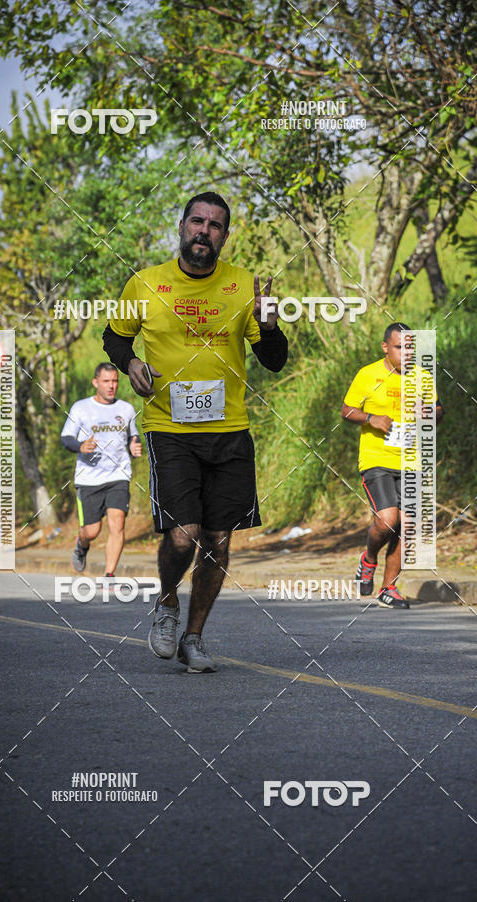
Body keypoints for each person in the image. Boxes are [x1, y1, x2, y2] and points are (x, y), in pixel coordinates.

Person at [103, 191, 288, 672]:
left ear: (225, 237)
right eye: (197, 221)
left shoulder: (243, 285)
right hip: (170, 428)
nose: (204, 231)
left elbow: (273, 359)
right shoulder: (145, 284)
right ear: (182, 226)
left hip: (229, 430)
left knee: (219, 540)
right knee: (184, 535)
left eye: (215, 225)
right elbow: (115, 337)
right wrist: (131, 362)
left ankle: (194, 636)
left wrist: (269, 328)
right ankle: (166, 603)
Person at [341, 322, 443, 608]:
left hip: (411, 461)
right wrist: (370, 418)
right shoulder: (369, 374)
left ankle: (389, 588)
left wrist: (431, 413)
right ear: (386, 347)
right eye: (400, 348)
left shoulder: (422, 377)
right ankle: (369, 558)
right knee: (388, 519)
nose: (406, 354)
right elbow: (347, 410)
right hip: (377, 459)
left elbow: (438, 411)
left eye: (411, 348)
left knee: (406, 524)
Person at [61, 363, 142, 577]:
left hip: (118, 475)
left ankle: (109, 575)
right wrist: (80, 446)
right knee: (92, 531)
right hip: (89, 478)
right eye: (106, 381)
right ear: (95, 382)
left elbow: (133, 436)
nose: (111, 386)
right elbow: (66, 437)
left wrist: (134, 446)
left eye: (115, 381)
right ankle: (82, 544)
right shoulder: (81, 408)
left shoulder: (126, 409)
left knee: (117, 524)